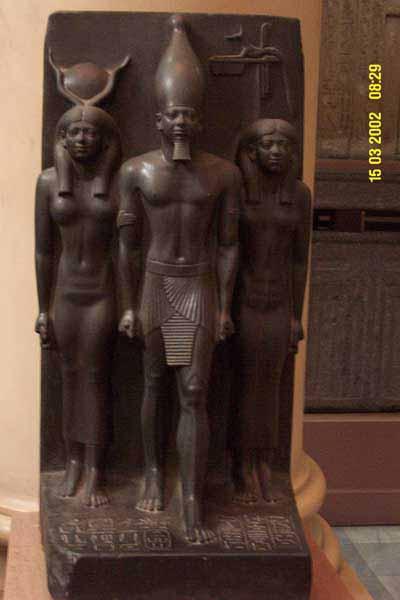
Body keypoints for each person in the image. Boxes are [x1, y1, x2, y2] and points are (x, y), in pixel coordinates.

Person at [118, 15, 241, 544]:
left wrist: (224, 306)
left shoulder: (222, 174)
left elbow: (229, 244)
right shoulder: (137, 172)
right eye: (173, 114)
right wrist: (128, 304)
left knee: (192, 389)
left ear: (200, 119)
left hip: (197, 287)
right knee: (155, 381)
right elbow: (127, 245)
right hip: (156, 284)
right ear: (158, 119)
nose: (181, 122)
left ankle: (191, 493)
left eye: (189, 114)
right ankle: (152, 471)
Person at [35, 104, 120, 507]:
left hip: (102, 293)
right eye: (75, 133)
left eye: (90, 133)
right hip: (65, 294)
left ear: (104, 141)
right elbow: (43, 251)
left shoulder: (118, 183)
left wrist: (129, 304)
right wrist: (43, 308)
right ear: (63, 139)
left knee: (95, 378)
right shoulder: (48, 182)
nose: (83, 139)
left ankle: (95, 467)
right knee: (69, 377)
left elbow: (127, 251)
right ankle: (72, 460)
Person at [231, 118, 311, 504]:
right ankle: (243, 463)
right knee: (249, 384)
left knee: (274, 385)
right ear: (252, 151)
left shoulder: (300, 195)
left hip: (280, 302)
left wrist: (296, 314)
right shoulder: (238, 191)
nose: (276, 151)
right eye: (268, 144)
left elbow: (299, 259)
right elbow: (226, 251)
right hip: (245, 301)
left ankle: (265, 461)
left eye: (283, 145)